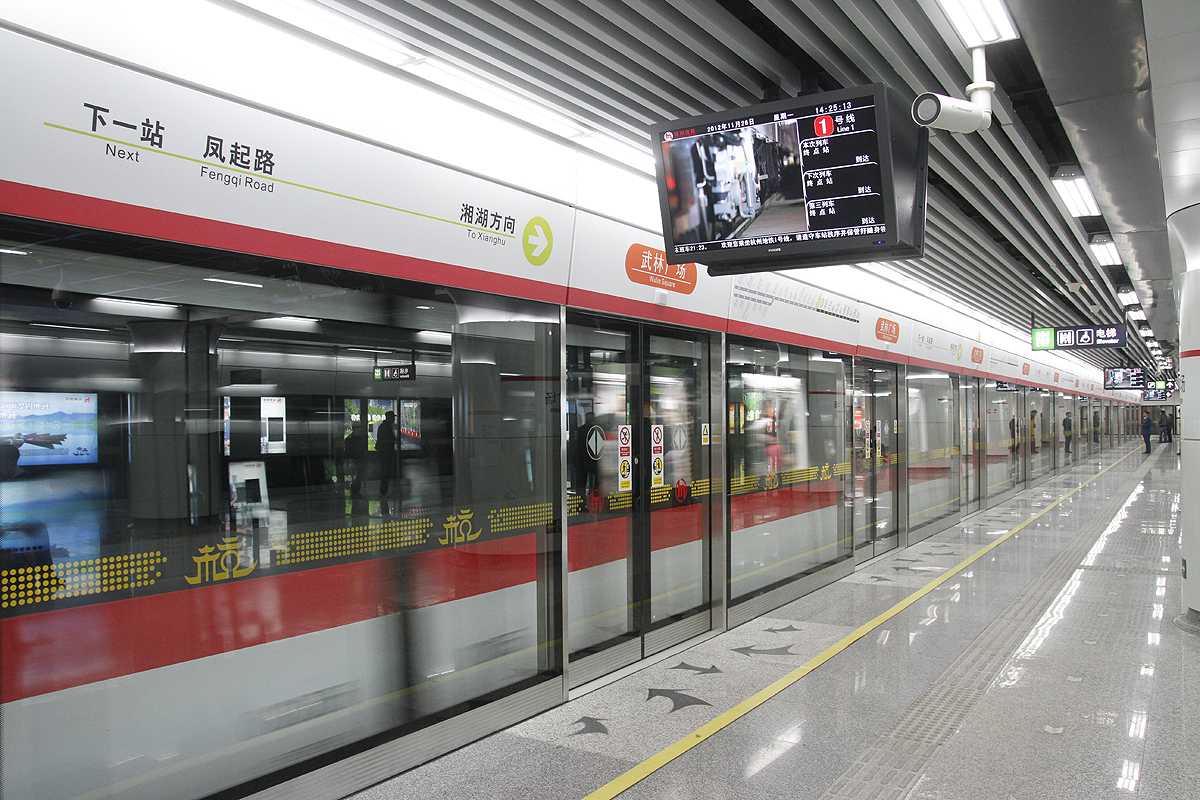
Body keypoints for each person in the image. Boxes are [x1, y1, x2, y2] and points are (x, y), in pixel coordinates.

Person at [376, 410, 397, 496]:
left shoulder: (384, 426)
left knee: (385, 471)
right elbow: (385, 440)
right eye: (393, 417)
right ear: (389, 418)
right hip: (386, 453)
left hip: (385, 453)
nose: (394, 419)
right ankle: (383, 490)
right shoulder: (386, 427)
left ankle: (384, 490)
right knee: (385, 472)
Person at [345, 421, 368, 498]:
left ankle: (355, 491)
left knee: (358, 476)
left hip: (358, 460)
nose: (360, 430)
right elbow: (348, 451)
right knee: (356, 476)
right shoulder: (352, 439)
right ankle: (355, 491)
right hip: (355, 460)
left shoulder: (350, 439)